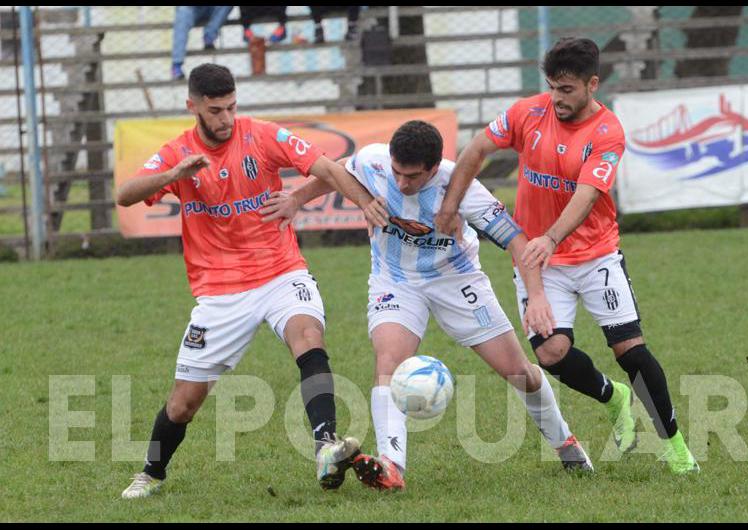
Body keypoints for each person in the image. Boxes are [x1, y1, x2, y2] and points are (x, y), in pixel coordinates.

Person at [260, 120, 593, 491]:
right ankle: (391, 465)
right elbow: (337, 174)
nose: (402, 183)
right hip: (395, 280)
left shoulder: (461, 188)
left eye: (413, 177)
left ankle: (566, 444)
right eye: (397, 173)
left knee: (518, 372)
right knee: (388, 362)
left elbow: (517, 242)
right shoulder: (373, 162)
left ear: (434, 168)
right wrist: (296, 199)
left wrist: (537, 298)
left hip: (457, 281)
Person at [116, 64, 387, 499]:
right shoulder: (178, 153)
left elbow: (327, 167)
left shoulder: (262, 135)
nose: (225, 118)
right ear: (193, 107)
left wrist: (365, 203)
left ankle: (325, 444)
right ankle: (150, 471)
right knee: (184, 402)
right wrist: (173, 176)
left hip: (281, 271)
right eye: (215, 110)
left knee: (308, 335)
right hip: (220, 292)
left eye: (231, 107)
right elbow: (125, 194)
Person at [434, 38, 699, 475]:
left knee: (630, 350)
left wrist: (552, 238)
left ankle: (675, 448)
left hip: (596, 255)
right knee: (552, 353)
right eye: (553, 87)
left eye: (568, 89)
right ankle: (612, 397)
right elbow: (475, 151)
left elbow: (587, 194)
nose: (557, 97)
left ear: (592, 85)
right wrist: (449, 208)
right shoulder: (527, 112)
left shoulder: (607, 131)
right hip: (541, 261)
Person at [171, 6, 233, 80]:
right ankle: (177, 64)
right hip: (190, 9)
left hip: (212, 9)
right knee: (182, 12)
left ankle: (209, 36)